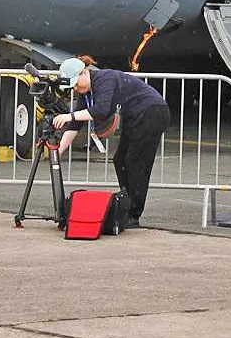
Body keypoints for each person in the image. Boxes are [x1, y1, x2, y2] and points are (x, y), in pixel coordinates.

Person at [52, 56, 170, 229]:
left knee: (135, 162)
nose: (76, 88)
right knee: (120, 160)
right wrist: (57, 151)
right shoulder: (86, 93)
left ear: (85, 72)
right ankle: (127, 204)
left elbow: (101, 110)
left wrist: (68, 115)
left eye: (77, 83)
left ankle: (133, 213)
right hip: (134, 117)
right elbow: (75, 125)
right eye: (73, 86)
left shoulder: (104, 79)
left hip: (152, 112)